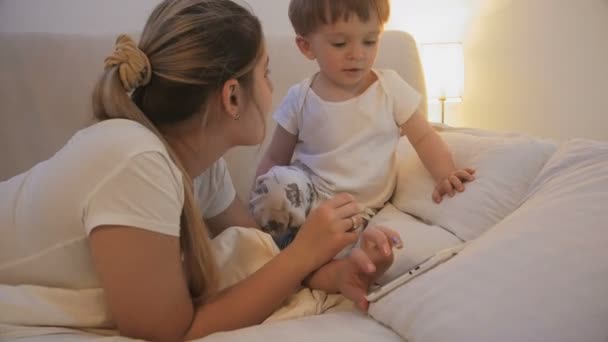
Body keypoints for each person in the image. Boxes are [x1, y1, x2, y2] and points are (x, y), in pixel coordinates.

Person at [0, 0, 401, 341]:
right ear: (232, 96)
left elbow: (257, 252)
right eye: (265, 72)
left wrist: (340, 271)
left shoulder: (199, 167)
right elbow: (168, 332)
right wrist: (301, 255)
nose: (270, 88)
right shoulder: (136, 161)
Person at [250, 0, 476, 248]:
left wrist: (445, 173)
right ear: (306, 46)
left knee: (364, 249)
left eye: (370, 41)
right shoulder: (300, 97)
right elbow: (275, 157)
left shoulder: (390, 88)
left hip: (358, 210)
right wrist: (258, 196)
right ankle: (274, 246)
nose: (358, 54)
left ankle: (306, 259)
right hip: (306, 195)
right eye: (340, 43)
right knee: (275, 185)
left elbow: (424, 137)